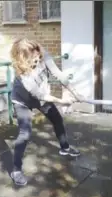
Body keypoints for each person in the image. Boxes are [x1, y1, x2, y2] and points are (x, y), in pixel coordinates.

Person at [10, 38, 84, 186]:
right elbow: (40, 95)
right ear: (22, 60)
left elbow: (59, 75)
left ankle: (65, 148)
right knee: (25, 133)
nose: (37, 62)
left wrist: (75, 93)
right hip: (22, 101)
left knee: (57, 120)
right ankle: (16, 170)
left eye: (38, 58)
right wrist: (62, 101)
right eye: (33, 61)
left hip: (41, 97)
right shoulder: (22, 75)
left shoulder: (44, 54)